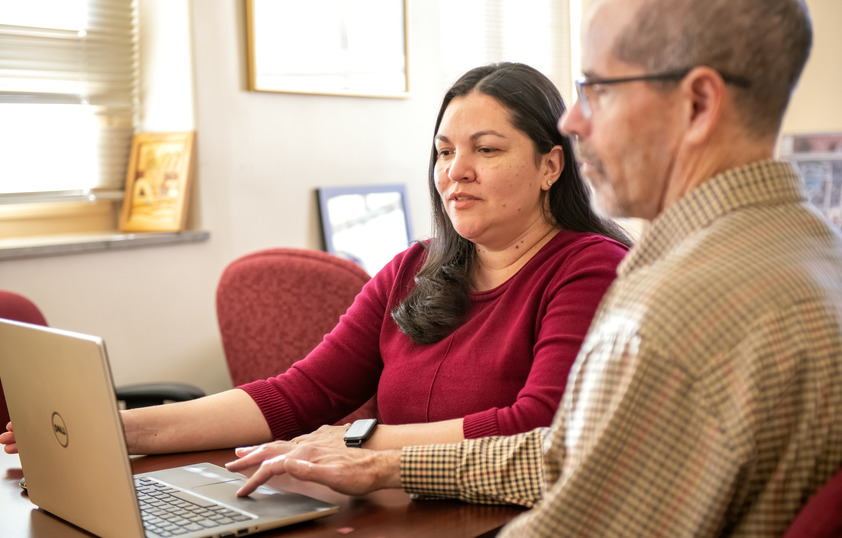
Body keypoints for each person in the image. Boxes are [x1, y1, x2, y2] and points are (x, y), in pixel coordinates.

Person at [220, 0, 842, 535]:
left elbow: (577, 511)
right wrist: (386, 462)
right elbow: (571, 454)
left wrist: (369, 449)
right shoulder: (807, 252)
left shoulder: (674, 313)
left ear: (698, 103)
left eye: (596, 89)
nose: (573, 122)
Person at [2, 63, 629, 456]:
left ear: (551, 164)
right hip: (397, 510)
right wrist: (121, 432)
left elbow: (538, 425)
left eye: (486, 150)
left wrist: (358, 442)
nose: (455, 173)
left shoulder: (586, 267)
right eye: (442, 151)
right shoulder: (413, 269)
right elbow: (296, 396)